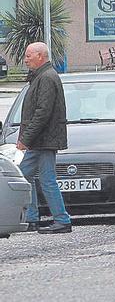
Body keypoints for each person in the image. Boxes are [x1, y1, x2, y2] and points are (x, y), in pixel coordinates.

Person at [16, 42, 72, 234]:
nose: (26, 60)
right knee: (25, 176)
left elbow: (42, 113)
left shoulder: (46, 78)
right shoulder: (41, 76)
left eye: (29, 56)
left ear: (41, 56)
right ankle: (32, 218)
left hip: (43, 139)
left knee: (45, 179)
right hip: (41, 139)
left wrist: (26, 139)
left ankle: (62, 220)